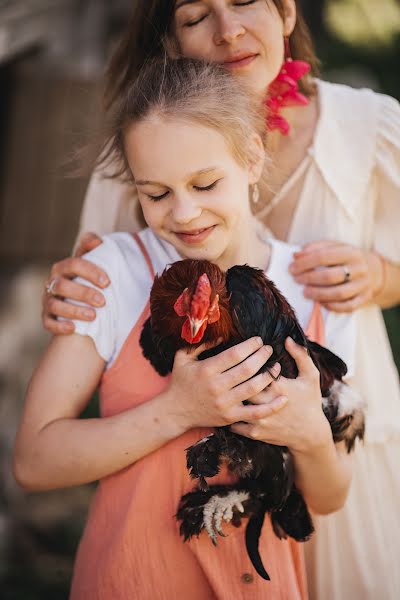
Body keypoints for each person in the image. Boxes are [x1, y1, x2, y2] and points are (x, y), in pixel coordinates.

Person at [41, 2, 400, 598]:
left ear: (285, 11)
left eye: (242, 1)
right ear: (171, 40)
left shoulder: (370, 125)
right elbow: (96, 274)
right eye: (195, 15)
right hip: (180, 471)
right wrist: (64, 292)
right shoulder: (144, 135)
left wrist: (382, 275)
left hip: (331, 436)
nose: (227, 29)